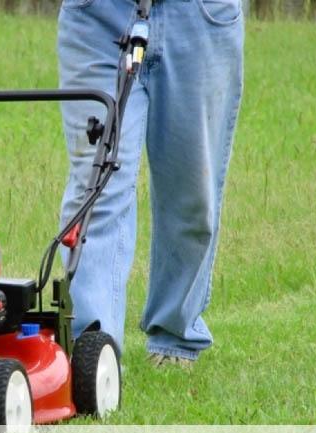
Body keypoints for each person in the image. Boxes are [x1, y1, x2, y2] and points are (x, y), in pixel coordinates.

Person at [58, 0, 244, 365]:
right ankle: (92, 351)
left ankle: (175, 333)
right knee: (97, 185)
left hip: (200, 17)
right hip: (97, 15)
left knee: (192, 193)